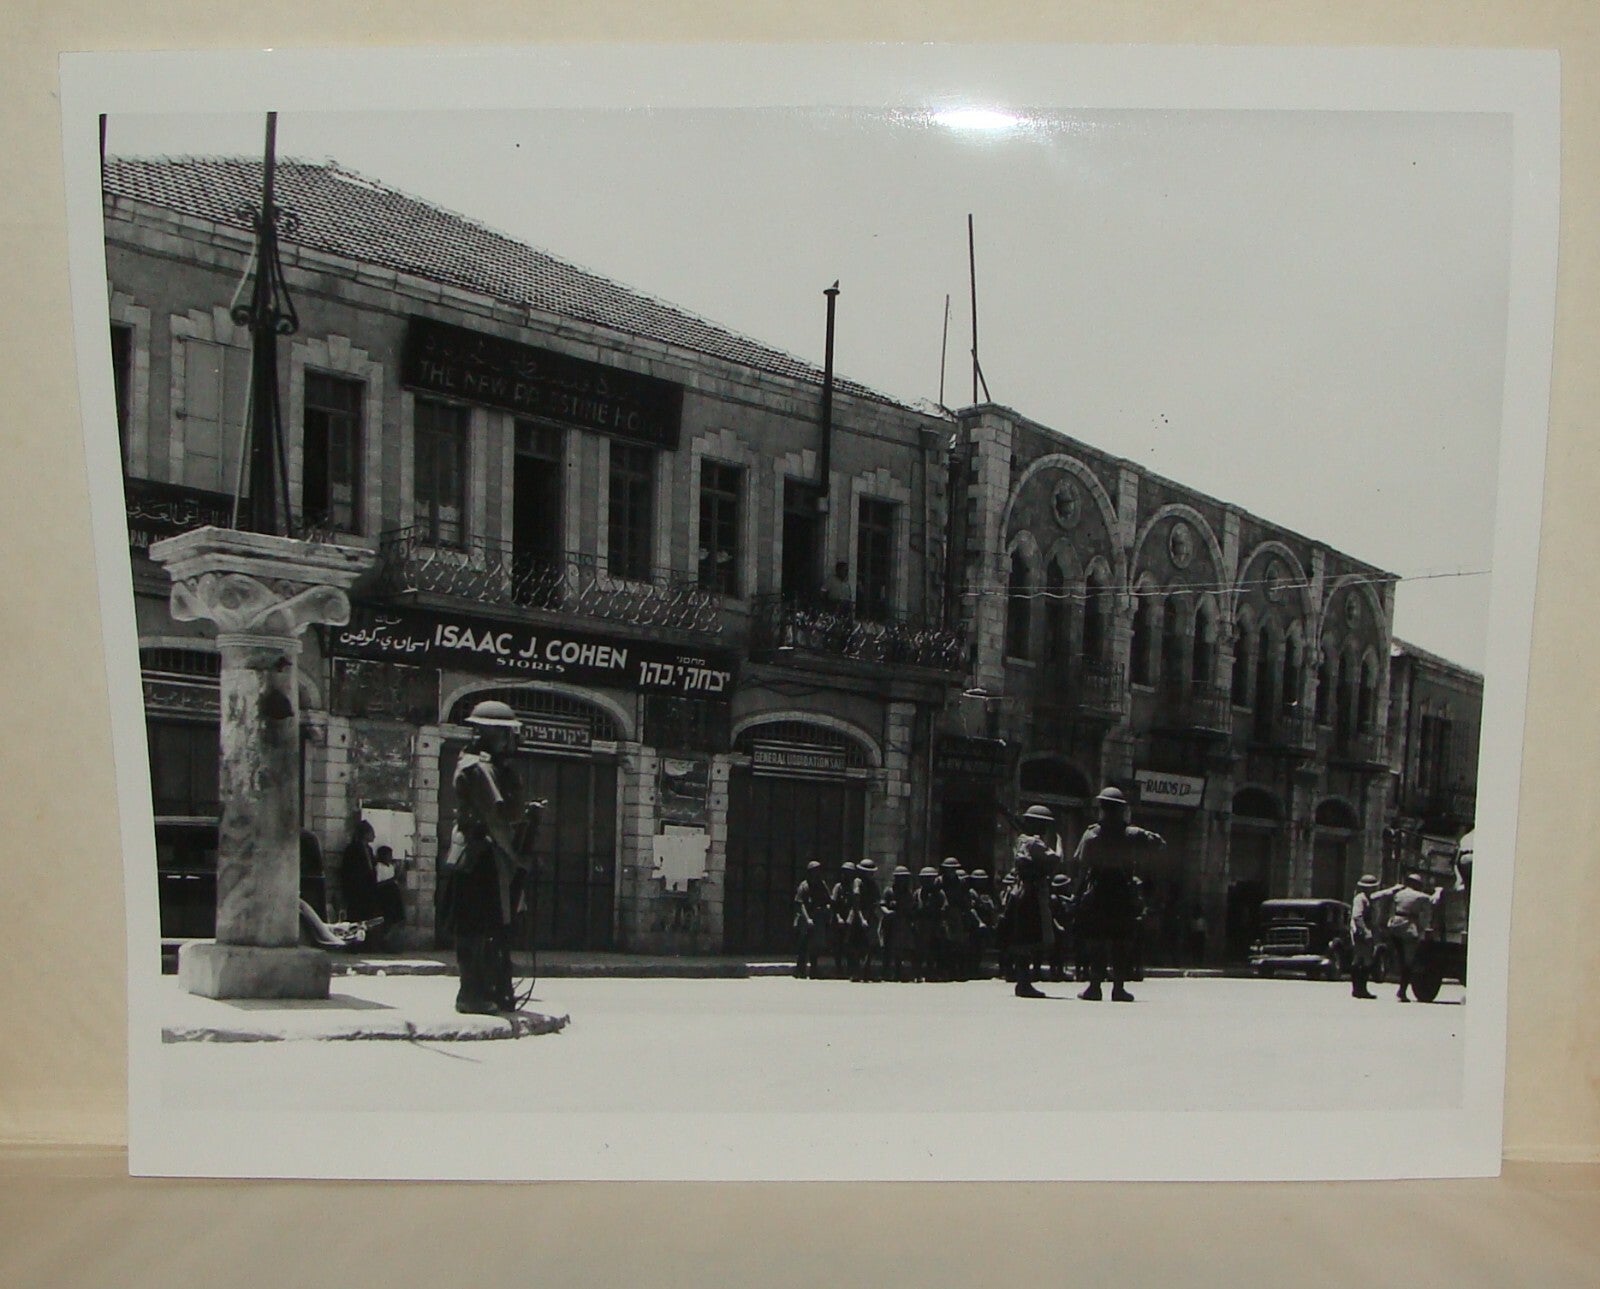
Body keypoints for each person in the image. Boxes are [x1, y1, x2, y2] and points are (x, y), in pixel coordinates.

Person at [438, 700, 543, 1015]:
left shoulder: (487, 765)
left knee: (490, 928)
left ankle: (490, 991)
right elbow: (495, 822)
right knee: (477, 929)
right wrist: (516, 858)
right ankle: (472, 995)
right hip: (477, 858)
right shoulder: (479, 767)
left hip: (484, 857)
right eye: (506, 733)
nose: (510, 740)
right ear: (493, 733)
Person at [1072, 786, 1164, 1002]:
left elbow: (1081, 867)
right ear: (1122, 810)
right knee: (1121, 943)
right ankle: (1118, 988)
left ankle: (1094, 987)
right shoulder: (1132, 834)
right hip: (1122, 893)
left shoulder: (1091, 834)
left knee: (1097, 942)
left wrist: (1077, 896)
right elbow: (1160, 844)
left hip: (1098, 893)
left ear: (1102, 808)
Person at [996, 839, 1055, 998]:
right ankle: (1024, 983)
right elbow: (1054, 859)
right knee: (1025, 941)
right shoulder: (1032, 847)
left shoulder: (1021, 846)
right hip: (1027, 899)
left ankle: (1023, 982)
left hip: (1022, 898)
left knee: (1024, 942)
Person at [1381, 870, 1439, 1002]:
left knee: (1401, 957)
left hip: (1394, 926)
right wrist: (1438, 891)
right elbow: (1433, 901)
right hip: (1408, 928)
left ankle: (1396, 972)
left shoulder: (1398, 894)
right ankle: (1402, 991)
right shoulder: (1420, 896)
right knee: (1408, 962)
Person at [792, 860, 831, 979]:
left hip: (817, 917)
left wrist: (826, 908)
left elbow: (827, 899)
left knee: (815, 946)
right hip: (805, 918)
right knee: (803, 945)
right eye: (815, 871)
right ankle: (800, 970)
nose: (817, 874)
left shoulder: (821, 885)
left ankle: (814, 970)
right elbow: (800, 903)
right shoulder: (804, 886)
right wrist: (807, 918)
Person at [878, 866, 915, 982]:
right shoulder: (889, 891)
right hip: (889, 924)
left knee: (900, 949)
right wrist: (888, 912)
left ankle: (899, 972)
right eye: (900, 878)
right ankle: (886, 972)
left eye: (904, 878)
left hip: (902, 924)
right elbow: (882, 905)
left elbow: (911, 908)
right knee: (888, 949)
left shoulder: (908, 893)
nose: (902, 880)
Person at [1348, 874, 1382, 999]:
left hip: (1367, 930)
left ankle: (1361, 988)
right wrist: (1365, 931)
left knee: (1365, 960)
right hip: (1361, 932)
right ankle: (1358, 989)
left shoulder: (1370, 898)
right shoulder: (1360, 898)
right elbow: (1357, 916)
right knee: (1361, 959)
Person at [847, 858, 881, 981]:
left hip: (869, 916)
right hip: (858, 916)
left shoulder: (873, 884)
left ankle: (867, 970)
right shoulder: (858, 882)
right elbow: (857, 903)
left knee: (870, 945)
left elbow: (877, 901)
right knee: (856, 945)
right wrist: (862, 919)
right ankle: (855, 972)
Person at [340, 818, 379, 924]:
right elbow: (348, 871)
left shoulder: (369, 850)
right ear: (365, 834)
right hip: (357, 890)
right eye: (371, 833)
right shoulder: (352, 849)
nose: (374, 836)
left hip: (368, 889)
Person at [911, 866, 947, 982]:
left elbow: (944, 907)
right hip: (921, 925)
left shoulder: (939, 893)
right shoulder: (918, 893)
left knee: (933, 950)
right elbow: (913, 908)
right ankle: (917, 973)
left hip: (934, 924)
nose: (928, 881)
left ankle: (931, 973)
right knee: (919, 950)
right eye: (925, 879)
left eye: (930, 879)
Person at [371, 844, 407, 949]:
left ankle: (390, 940)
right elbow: (378, 884)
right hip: (385, 896)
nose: (390, 857)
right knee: (386, 918)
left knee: (397, 918)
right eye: (388, 855)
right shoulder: (379, 867)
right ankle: (383, 941)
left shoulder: (391, 867)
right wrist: (392, 880)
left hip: (394, 896)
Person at [829, 861, 858, 979]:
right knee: (838, 946)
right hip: (838, 920)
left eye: (849, 873)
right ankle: (838, 969)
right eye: (845, 873)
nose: (847, 875)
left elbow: (855, 905)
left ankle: (851, 970)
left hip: (850, 921)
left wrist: (850, 919)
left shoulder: (854, 887)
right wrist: (839, 918)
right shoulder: (838, 887)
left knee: (850, 946)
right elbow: (833, 905)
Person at [1047, 873, 1075, 982]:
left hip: (1066, 927)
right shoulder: (1054, 898)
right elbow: (1051, 915)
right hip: (1056, 929)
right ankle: (1054, 972)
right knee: (1055, 951)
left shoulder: (1069, 897)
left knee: (1063, 951)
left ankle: (1060, 971)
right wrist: (1058, 926)